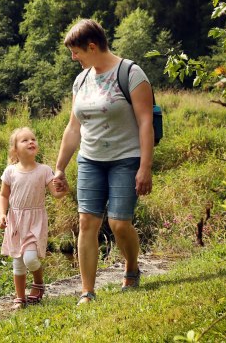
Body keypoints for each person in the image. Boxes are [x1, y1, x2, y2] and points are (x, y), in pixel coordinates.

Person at [52, 18, 154, 305]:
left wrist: (145, 166)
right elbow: (73, 128)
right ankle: (87, 292)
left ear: (92, 46)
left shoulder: (131, 73)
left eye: (76, 52)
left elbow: (146, 123)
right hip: (90, 161)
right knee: (87, 222)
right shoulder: (81, 80)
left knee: (120, 223)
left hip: (126, 159)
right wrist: (60, 167)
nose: (74, 58)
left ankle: (132, 268)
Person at [0, 127, 67, 309]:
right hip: (15, 220)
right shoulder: (10, 171)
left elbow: (55, 194)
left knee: (30, 258)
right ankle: (20, 298)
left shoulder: (44, 170)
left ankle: (38, 282)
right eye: (25, 140)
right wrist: (2, 214)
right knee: (18, 261)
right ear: (15, 150)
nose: (31, 142)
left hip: (35, 220)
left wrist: (63, 190)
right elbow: (3, 196)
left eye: (33, 139)